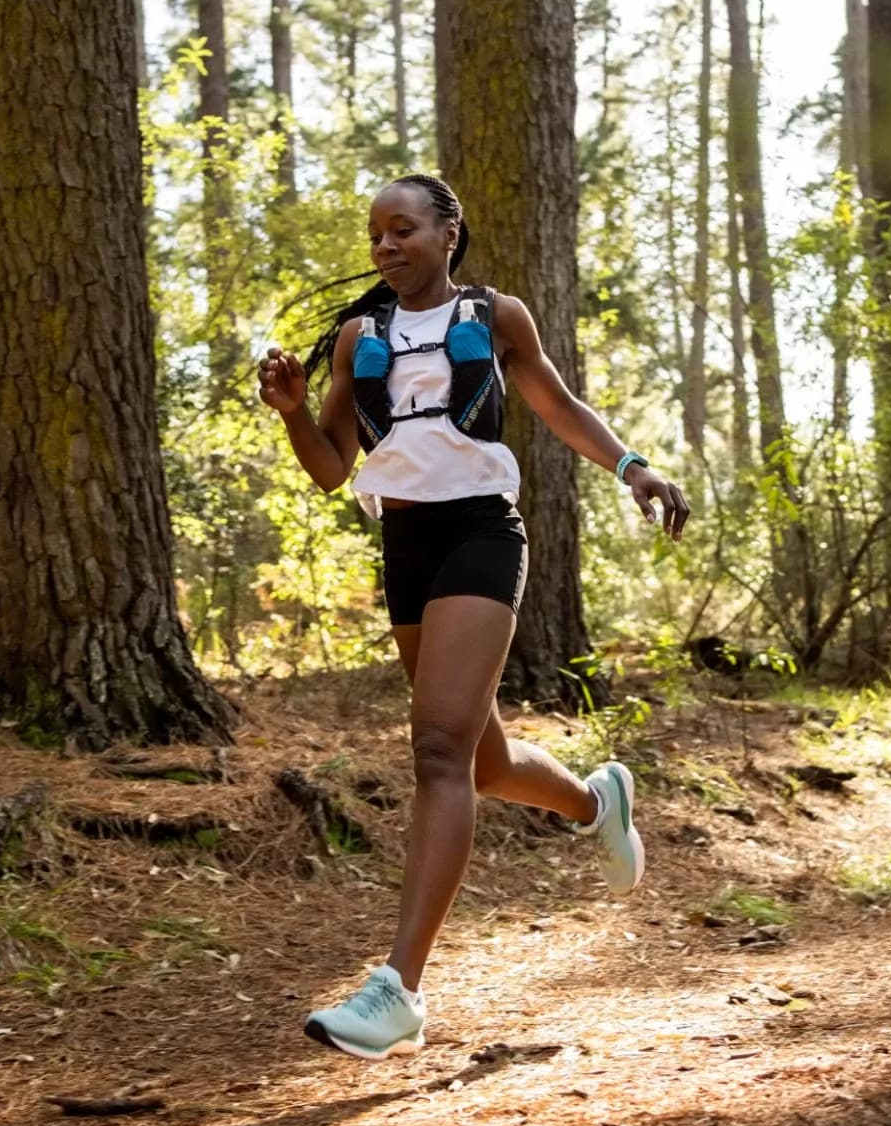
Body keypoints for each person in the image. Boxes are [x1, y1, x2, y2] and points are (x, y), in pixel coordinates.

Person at [257, 173, 690, 1060]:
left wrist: (632, 468)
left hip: (481, 534)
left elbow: (557, 405)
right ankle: (592, 799)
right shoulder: (355, 338)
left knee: (437, 752)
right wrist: (296, 414)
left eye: (403, 229)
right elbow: (333, 466)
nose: (386, 245)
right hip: (406, 547)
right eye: (376, 234)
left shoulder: (496, 317)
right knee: (481, 757)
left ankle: (397, 991)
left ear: (449, 233)